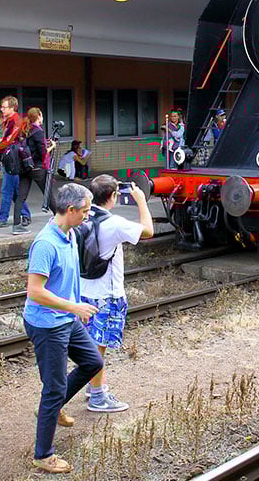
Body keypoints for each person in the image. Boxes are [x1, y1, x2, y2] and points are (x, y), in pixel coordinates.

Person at [23, 183, 103, 474]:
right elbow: (35, 291)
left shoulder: (69, 233)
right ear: (69, 211)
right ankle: (43, 455)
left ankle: (53, 406)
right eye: (84, 210)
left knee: (93, 362)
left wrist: (73, 308)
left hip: (65, 319)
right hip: (48, 325)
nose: (88, 214)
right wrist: (74, 308)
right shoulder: (46, 244)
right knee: (53, 388)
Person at [78, 174, 154, 412]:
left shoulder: (82, 217)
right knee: (98, 345)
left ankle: (93, 386)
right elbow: (148, 231)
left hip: (83, 291)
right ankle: (98, 396)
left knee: (91, 342)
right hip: (106, 293)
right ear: (113, 196)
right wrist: (141, 200)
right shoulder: (114, 223)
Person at [11, 108, 56, 234]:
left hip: (25, 167)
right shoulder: (38, 132)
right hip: (37, 168)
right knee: (48, 194)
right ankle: (60, 219)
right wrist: (52, 146)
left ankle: (16, 225)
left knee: (21, 196)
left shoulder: (26, 130)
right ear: (39, 116)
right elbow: (42, 153)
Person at [0, 96, 31, 229]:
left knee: (7, 190)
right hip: (11, 157)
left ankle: (3, 218)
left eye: (4, 107)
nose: (1, 109)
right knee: (14, 190)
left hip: (13, 158)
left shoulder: (15, 121)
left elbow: (7, 140)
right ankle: (25, 215)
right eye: (1, 106)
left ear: (12, 108)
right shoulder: (8, 120)